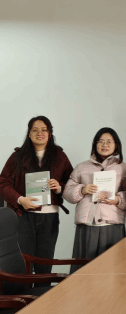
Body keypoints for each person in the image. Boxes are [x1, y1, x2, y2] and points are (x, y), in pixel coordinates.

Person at [0, 116, 73, 276]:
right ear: (29, 133)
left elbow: (72, 182)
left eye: (44, 130)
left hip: (49, 218)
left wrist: (59, 187)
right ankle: (25, 293)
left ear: (50, 133)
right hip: (23, 216)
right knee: (23, 265)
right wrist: (20, 199)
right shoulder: (17, 156)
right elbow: (3, 183)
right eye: (35, 130)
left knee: (45, 266)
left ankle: (42, 293)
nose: (40, 133)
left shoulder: (60, 156)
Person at [63, 128, 126, 273]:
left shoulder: (125, 168)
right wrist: (82, 190)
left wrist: (118, 199)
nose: (104, 145)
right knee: (84, 271)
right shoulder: (82, 167)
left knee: (112, 270)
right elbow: (67, 192)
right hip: (87, 225)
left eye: (109, 142)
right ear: (95, 144)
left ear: (116, 145)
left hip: (112, 225)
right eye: (101, 141)